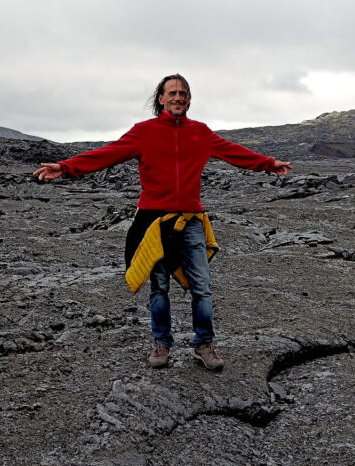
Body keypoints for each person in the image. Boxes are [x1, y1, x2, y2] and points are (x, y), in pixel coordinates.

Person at [33, 73, 291, 371]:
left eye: (183, 93)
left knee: (202, 287)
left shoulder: (201, 132)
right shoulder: (144, 132)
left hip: (191, 221)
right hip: (154, 223)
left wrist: (268, 164)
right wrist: (65, 168)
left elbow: (232, 151)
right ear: (161, 99)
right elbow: (108, 154)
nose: (178, 97)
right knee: (159, 287)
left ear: (189, 99)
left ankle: (204, 344)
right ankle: (162, 344)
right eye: (172, 93)